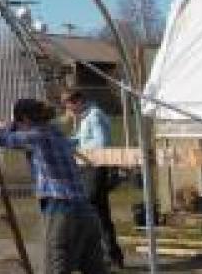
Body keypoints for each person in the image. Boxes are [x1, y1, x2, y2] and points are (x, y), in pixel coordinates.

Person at [0, 99, 107, 274]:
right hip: (87, 213)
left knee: (56, 267)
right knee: (94, 268)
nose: (15, 126)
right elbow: (7, 129)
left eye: (17, 122)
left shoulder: (35, 137)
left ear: (25, 120)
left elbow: (3, 137)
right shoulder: (53, 131)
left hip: (62, 212)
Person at [64, 89, 125, 269]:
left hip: (96, 170)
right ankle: (112, 255)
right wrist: (68, 142)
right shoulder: (87, 117)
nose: (70, 111)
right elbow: (83, 139)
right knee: (101, 213)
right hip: (89, 169)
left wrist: (80, 148)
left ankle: (101, 255)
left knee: (91, 210)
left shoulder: (95, 116)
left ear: (79, 101)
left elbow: (101, 143)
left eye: (70, 106)